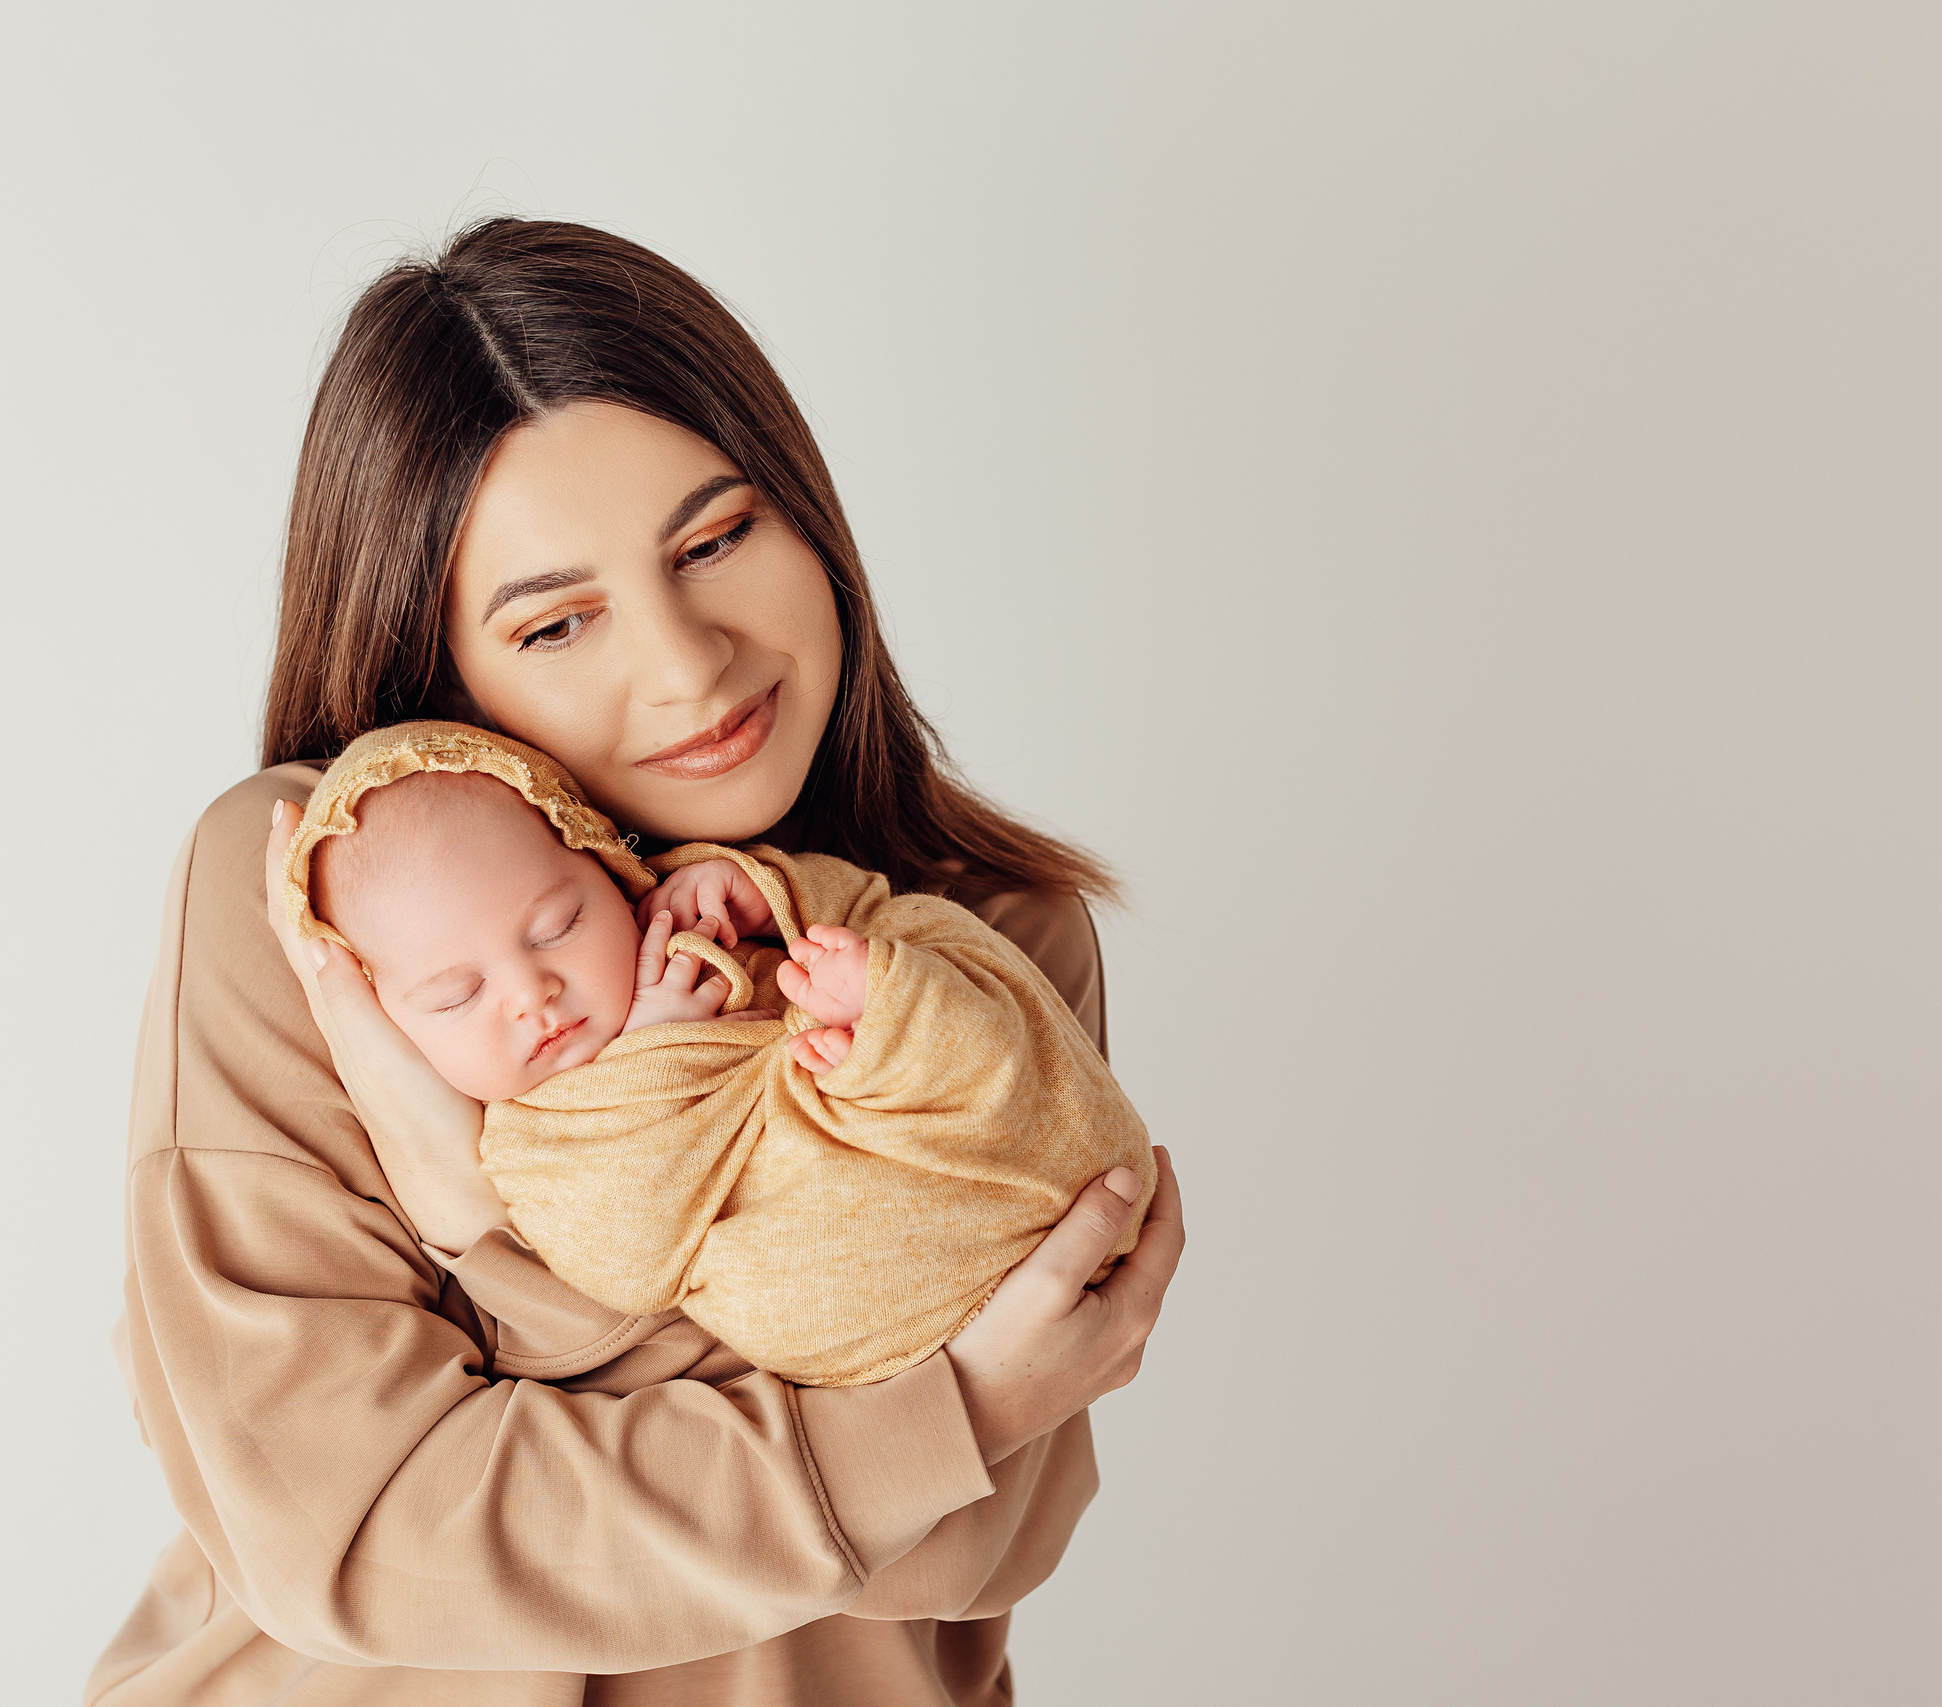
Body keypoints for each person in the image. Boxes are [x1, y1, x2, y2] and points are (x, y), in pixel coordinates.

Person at [89, 216, 1185, 1705]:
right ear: (441, 664)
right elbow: (355, 1530)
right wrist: (948, 1405)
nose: (686, 664)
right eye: (556, 620)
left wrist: (478, 1220)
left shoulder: (975, 945)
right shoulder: (321, 896)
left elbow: (973, 1548)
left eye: (718, 538)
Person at [283, 719, 1155, 1389]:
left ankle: (890, 1018)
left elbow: (866, 902)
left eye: (560, 925)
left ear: (613, 872)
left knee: (919, 948)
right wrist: (651, 1054)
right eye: (455, 995)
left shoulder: (683, 924)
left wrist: (762, 894)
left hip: (1005, 1165)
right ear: (393, 1018)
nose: (530, 993)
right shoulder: (535, 1137)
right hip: (866, 1279)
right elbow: (622, 1256)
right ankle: (885, 1033)